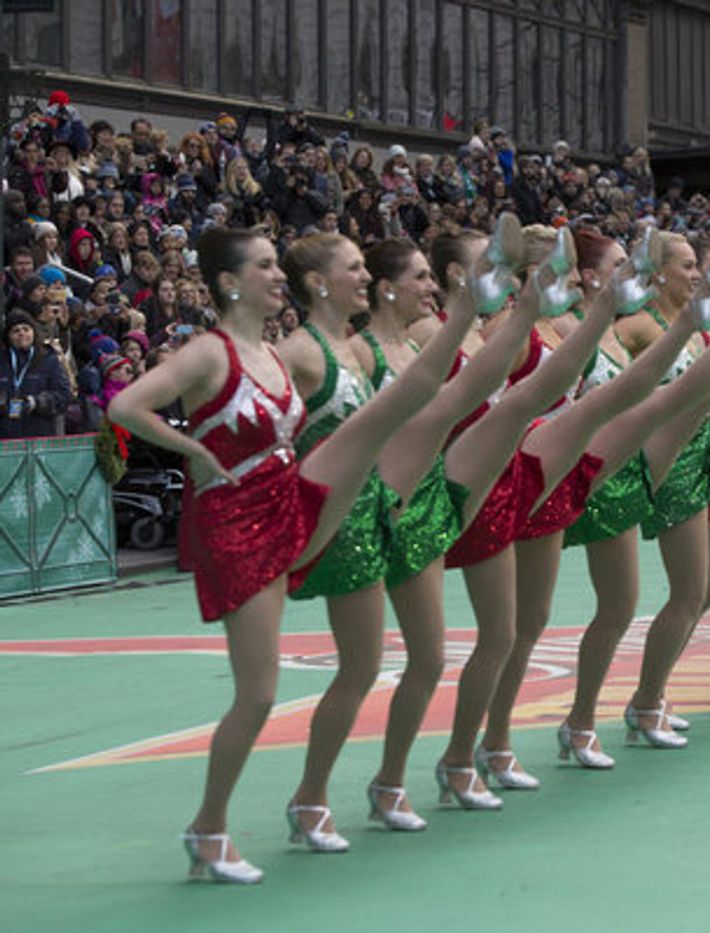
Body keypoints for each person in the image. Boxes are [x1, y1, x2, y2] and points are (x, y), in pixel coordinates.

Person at [107, 226, 475, 882]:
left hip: (293, 501)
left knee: (395, 415)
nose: (278, 275)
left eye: (281, 264)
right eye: (266, 265)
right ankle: (208, 828)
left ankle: (292, 806)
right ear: (229, 281)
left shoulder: (272, 358)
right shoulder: (209, 352)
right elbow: (126, 405)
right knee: (259, 692)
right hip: (237, 522)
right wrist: (194, 452)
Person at [1, 310, 72, 439]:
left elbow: (64, 395)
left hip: (40, 435)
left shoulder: (49, 360)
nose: (21, 333)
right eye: (15, 331)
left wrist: (36, 402)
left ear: (33, 332)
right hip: (5, 437)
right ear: (8, 336)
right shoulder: (2, 362)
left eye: (26, 329)